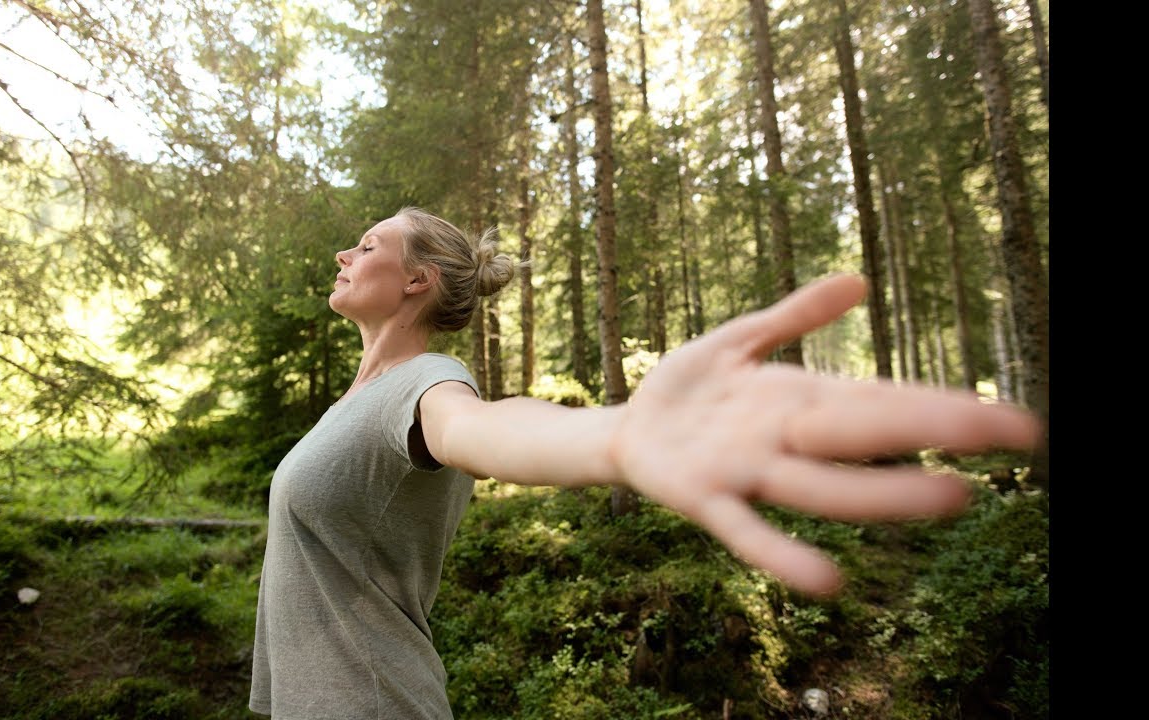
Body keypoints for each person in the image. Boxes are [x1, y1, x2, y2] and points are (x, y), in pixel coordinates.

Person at [248, 206, 1041, 719]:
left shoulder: (429, 383)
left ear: (416, 280)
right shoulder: (356, 401)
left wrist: (615, 436)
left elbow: (486, 431)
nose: (345, 252)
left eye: (370, 244)